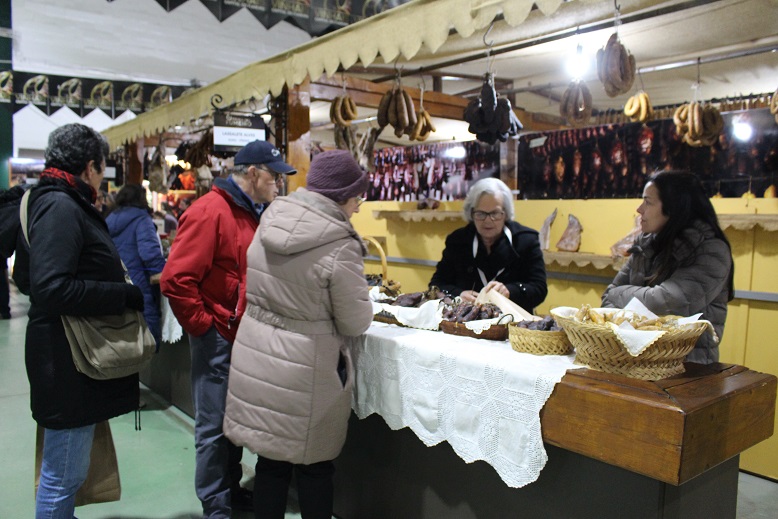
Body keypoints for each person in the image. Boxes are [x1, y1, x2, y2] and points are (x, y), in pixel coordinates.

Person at [223, 149, 374, 519]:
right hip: (307, 371)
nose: (357, 207)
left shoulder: (271, 218)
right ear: (343, 196)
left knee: (271, 465)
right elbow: (355, 322)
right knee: (315, 467)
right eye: (357, 198)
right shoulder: (341, 244)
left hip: (258, 357)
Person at [12, 123, 144, 517]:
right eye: (102, 169)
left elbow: (26, 277)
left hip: (66, 355)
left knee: (65, 471)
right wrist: (122, 294)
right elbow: (51, 287)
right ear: (90, 167)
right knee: (61, 476)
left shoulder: (47, 201)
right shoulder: (62, 207)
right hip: (67, 360)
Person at [160, 139, 296, 518]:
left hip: (244, 337)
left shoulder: (253, 211)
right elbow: (177, 279)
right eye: (275, 175)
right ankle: (216, 507)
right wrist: (206, 327)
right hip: (220, 337)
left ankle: (231, 493)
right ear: (252, 174)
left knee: (233, 424)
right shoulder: (210, 212)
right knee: (213, 429)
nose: (279, 184)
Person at [601, 170, 734, 364]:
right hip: (635, 361)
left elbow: (668, 301)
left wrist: (619, 295)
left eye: (648, 202)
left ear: (673, 207)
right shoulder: (645, 244)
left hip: (688, 369)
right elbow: (606, 300)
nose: (639, 209)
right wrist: (618, 296)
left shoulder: (712, 251)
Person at [429, 177, 548, 311]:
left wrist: (510, 291)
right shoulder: (458, 241)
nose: (488, 221)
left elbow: (539, 289)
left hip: (512, 322)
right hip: (464, 319)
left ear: (506, 213)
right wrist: (458, 294)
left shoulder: (525, 241)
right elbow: (436, 285)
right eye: (480, 214)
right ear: (471, 213)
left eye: (495, 213)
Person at [106, 184, 167, 347]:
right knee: (145, 340)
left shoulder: (109, 218)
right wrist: (164, 272)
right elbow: (149, 253)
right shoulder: (142, 219)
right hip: (139, 283)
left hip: (114, 281)